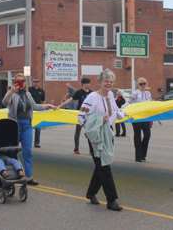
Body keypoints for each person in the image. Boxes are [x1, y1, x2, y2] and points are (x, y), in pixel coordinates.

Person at [79, 69, 127, 211]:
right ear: (100, 82)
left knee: (102, 164)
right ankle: (111, 200)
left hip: (108, 132)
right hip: (96, 136)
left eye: (111, 82)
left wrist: (124, 113)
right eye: (107, 81)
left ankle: (91, 192)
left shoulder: (111, 96)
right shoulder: (92, 97)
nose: (109, 84)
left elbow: (116, 111)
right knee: (105, 167)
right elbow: (81, 117)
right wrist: (98, 122)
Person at [2, 73, 57, 186]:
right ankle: (10, 174)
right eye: (18, 80)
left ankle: (29, 177)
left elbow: (35, 106)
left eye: (23, 80)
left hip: (27, 124)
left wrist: (48, 106)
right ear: (14, 82)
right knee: (12, 151)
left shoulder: (27, 94)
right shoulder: (12, 94)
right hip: (15, 126)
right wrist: (11, 91)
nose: (20, 82)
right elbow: (4, 102)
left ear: (26, 82)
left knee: (27, 152)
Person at [59, 78, 92, 154]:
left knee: (89, 132)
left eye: (89, 83)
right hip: (80, 114)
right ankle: (76, 148)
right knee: (77, 132)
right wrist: (61, 105)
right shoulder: (79, 92)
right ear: (83, 84)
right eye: (87, 83)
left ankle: (91, 149)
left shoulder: (91, 93)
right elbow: (70, 99)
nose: (88, 85)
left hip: (89, 115)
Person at [122, 77, 152, 162]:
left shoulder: (148, 93)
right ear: (138, 85)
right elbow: (129, 102)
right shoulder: (136, 93)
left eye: (144, 84)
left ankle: (143, 154)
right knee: (137, 135)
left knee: (147, 134)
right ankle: (138, 155)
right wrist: (122, 108)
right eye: (141, 84)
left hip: (145, 117)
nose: (143, 85)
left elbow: (150, 105)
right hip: (136, 116)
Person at [28, 76, 45, 148]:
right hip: (30, 110)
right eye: (34, 81)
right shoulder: (29, 90)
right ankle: (28, 142)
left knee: (38, 128)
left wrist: (44, 109)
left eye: (37, 81)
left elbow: (43, 101)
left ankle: (37, 143)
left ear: (39, 83)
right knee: (29, 127)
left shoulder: (41, 91)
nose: (35, 83)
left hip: (38, 111)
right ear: (32, 82)